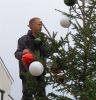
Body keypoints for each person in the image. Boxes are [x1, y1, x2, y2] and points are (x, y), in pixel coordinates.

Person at [14, 17, 49, 100]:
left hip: (40, 71)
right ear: (32, 25)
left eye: (42, 25)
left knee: (42, 95)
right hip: (27, 72)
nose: (41, 26)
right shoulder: (23, 39)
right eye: (39, 24)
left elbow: (47, 54)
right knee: (27, 95)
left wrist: (41, 44)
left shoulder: (43, 39)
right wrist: (23, 53)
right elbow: (16, 54)